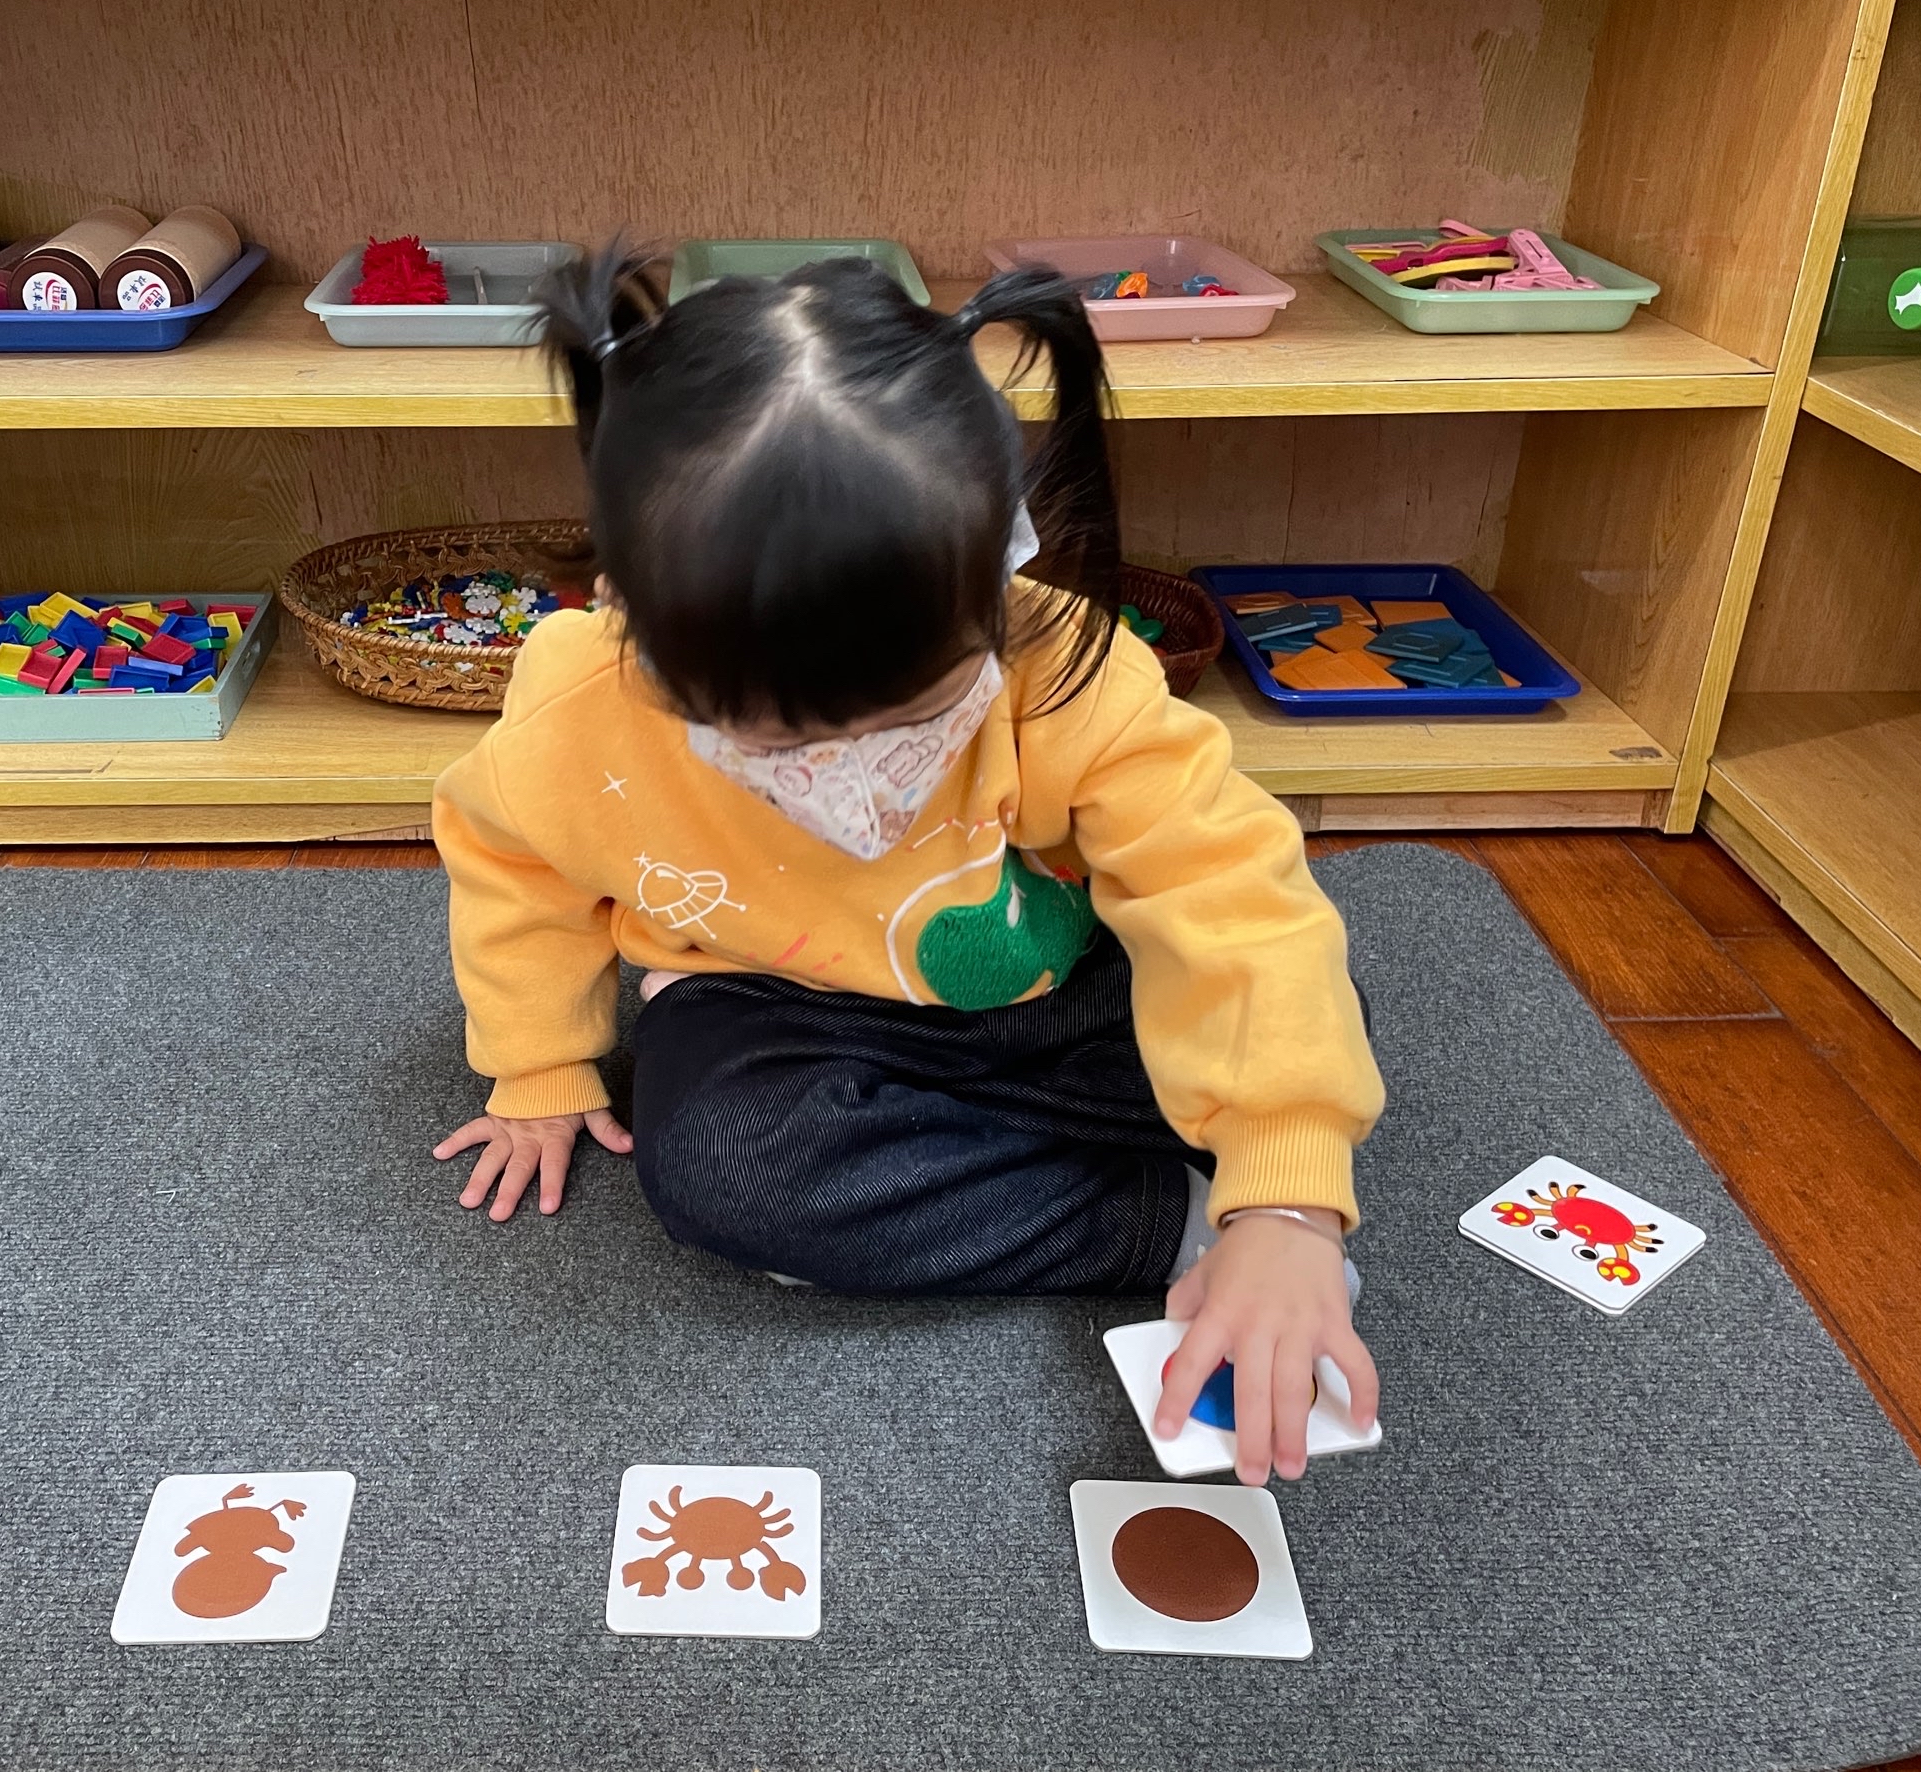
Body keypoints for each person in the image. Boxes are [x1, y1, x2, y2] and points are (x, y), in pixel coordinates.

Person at [428, 247, 1383, 1483]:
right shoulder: (574, 704)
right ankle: (1158, 1210)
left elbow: (1225, 895)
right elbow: (511, 862)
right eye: (776, 741)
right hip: (776, 1002)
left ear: (999, 585)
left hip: (1046, 977)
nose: (851, 780)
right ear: (633, 619)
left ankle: (1198, 1179)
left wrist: (1288, 1198)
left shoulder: (1066, 668)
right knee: (725, 1172)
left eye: (912, 718)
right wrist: (540, 1063)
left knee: (1305, 1002)